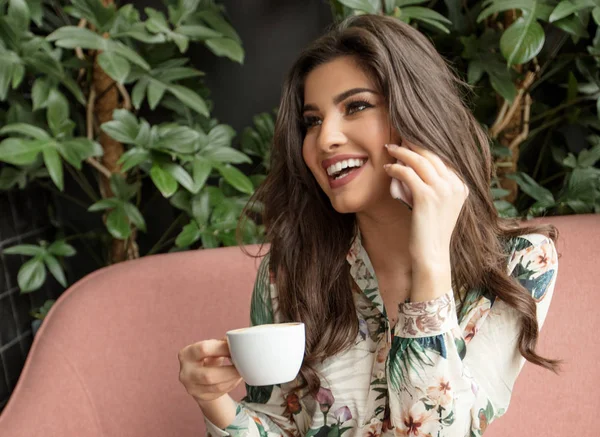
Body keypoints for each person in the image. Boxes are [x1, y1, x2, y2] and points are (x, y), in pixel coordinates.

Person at [178, 14, 560, 437]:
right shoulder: (289, 270)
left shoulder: (522, 262)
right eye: (312, 121)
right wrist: (213, 400)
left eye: (356, 106)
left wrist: (430, 257)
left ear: (417, 112)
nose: (325, 140)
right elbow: (280, 424)